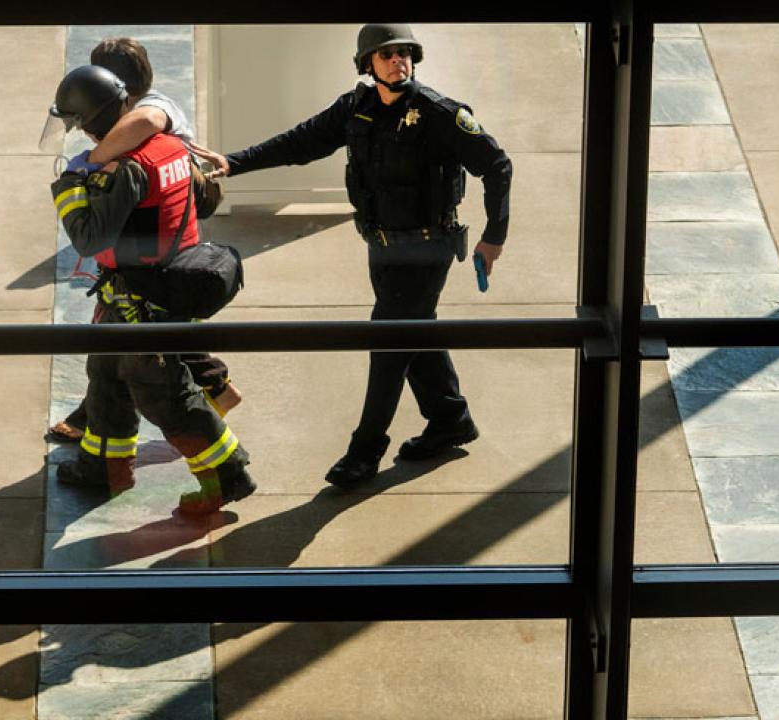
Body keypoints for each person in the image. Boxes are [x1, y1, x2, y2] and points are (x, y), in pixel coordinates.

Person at [204, 24, 513, 488]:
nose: (398, 61)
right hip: (382, 247)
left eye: (404, 53)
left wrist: (495, 235)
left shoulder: (439, 114)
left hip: (427, 249)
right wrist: (234, 162)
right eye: (387, 55)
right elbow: (299, 143)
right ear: (367, 64)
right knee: (414, 333)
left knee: (388, 346)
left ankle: (365, 451)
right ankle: (450, 418)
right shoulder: (356, 108)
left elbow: (497, 165)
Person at [48, 64, 255, 516]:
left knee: (166, 395)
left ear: (91, 119)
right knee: (106, 381)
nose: (79, 133)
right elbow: (199, 202)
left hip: (142, 300)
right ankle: (104, 467)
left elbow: (89, 238)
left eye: (78, 122)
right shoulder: (166, 147)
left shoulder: (127, 169)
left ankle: (228, 474)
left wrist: (68, 189)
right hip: (142, 288)